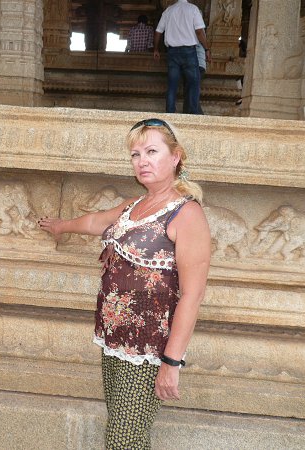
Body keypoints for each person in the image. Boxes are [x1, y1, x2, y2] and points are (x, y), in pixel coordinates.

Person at [38, 118, 211, 449]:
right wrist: (62, 226)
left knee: (123, 440)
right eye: (135, 154)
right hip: (114, 341)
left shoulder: (186, 214)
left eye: (152, 152)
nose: (142, 161)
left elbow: (193, 295)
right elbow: (96, 222)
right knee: (126, 437)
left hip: (149, 351)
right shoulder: (135, 205)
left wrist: (171, 363)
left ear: (175, 157)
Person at [154, 0, 211, 114]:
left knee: (172, 84)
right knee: (194, 83)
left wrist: (156, 49)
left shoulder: (168, 10)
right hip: (189, 52)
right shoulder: (193, 9)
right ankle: (193, 113)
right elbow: (199, 31)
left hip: (172, 52)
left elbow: (158, 31)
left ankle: (170, 112)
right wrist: (206, 49)